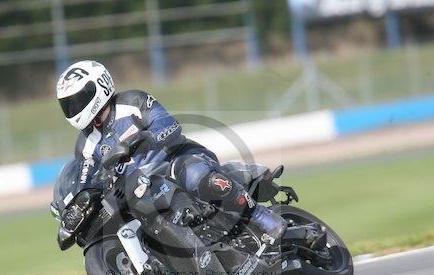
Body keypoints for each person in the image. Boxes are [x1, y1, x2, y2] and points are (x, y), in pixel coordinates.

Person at [56, 60, 286, 243]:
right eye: (69, 104)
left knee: (198, 177)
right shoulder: (85, 145)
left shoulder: (132, 101)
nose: (74, 108)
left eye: (78, 100)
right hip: (141, 190)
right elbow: (88, 179)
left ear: (100, 85)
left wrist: (142, 140)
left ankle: (263, 218)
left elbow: (169, 126)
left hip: (175, 159)